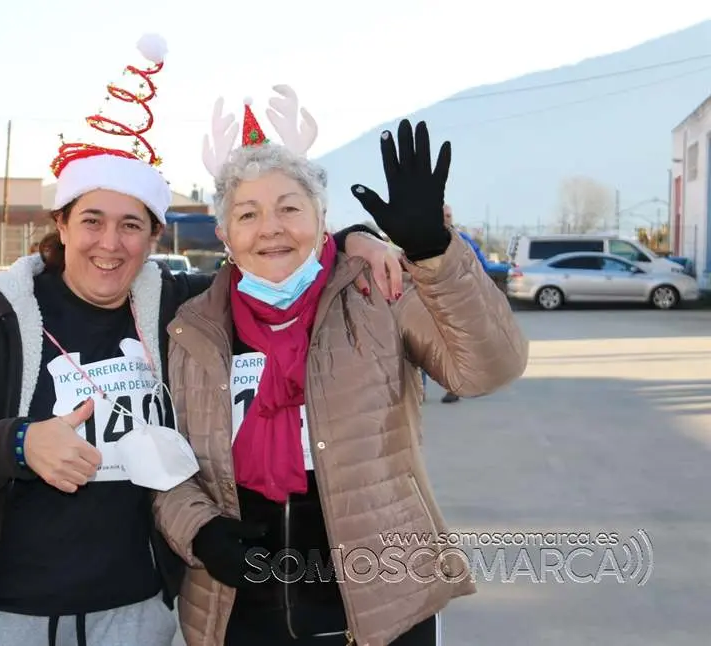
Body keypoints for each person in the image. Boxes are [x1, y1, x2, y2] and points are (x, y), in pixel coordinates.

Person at [0, 38, 401, 646]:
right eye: (92, 221)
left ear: (154, 234)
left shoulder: (180, 307)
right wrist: (20, 444)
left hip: (137, 613)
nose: (110, 243)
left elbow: (276, 256)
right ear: (60, 224)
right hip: (5, 615)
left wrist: (358, 239)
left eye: (131, 224)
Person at [153, 91, 529, 646]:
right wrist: (200, 530)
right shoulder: (193, 329)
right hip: (238, 610)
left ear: (321, 219)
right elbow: (167, 465)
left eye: (289, 207)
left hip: (384, 602)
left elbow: (488, 369)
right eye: (248, 214)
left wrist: (433, 252)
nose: (271, 228)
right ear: (226, 236)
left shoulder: (377, 293)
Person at [430, 204, 489, 403]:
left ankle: (454, 387)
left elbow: (480, 264)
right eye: (444, 215)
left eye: (449, 215)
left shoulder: (461, 240)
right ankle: (418, 389)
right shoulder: (422, 240)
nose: (448, 219)